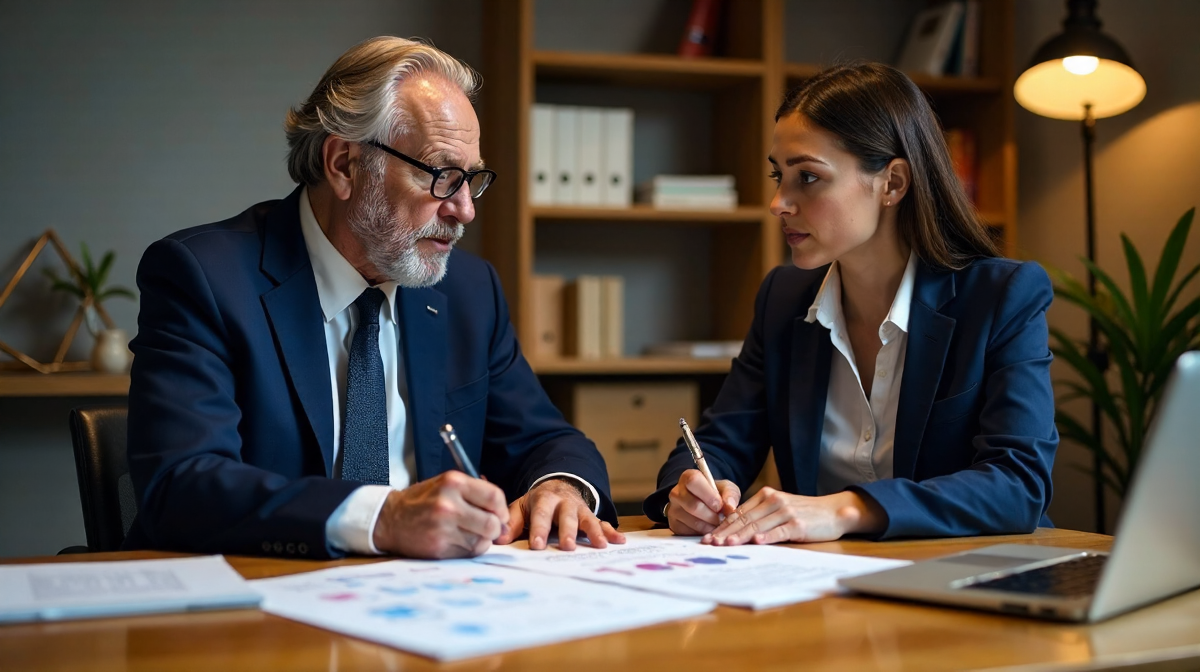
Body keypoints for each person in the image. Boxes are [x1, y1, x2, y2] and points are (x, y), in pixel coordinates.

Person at [126, 36, 624, 560]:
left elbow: (546, 441)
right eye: (440, 175)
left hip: (435, 608)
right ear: (344, 164)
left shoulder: (470, 291)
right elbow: (180, 485)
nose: (463, 210)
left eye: (471, 180)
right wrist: (381, 517)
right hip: (263, 602)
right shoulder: (204, 277)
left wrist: (561, 487)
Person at [645, 62, 1058, 544]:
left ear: (893, 184)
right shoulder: (783, 298)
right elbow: (721, 439)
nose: (779, 202)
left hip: (967, 577)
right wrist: (689, 491)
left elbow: (1019, 484)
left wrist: (847, 509)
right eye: (779, 176)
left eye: (809, 178)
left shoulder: (1002, 297)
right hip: (824, 587)